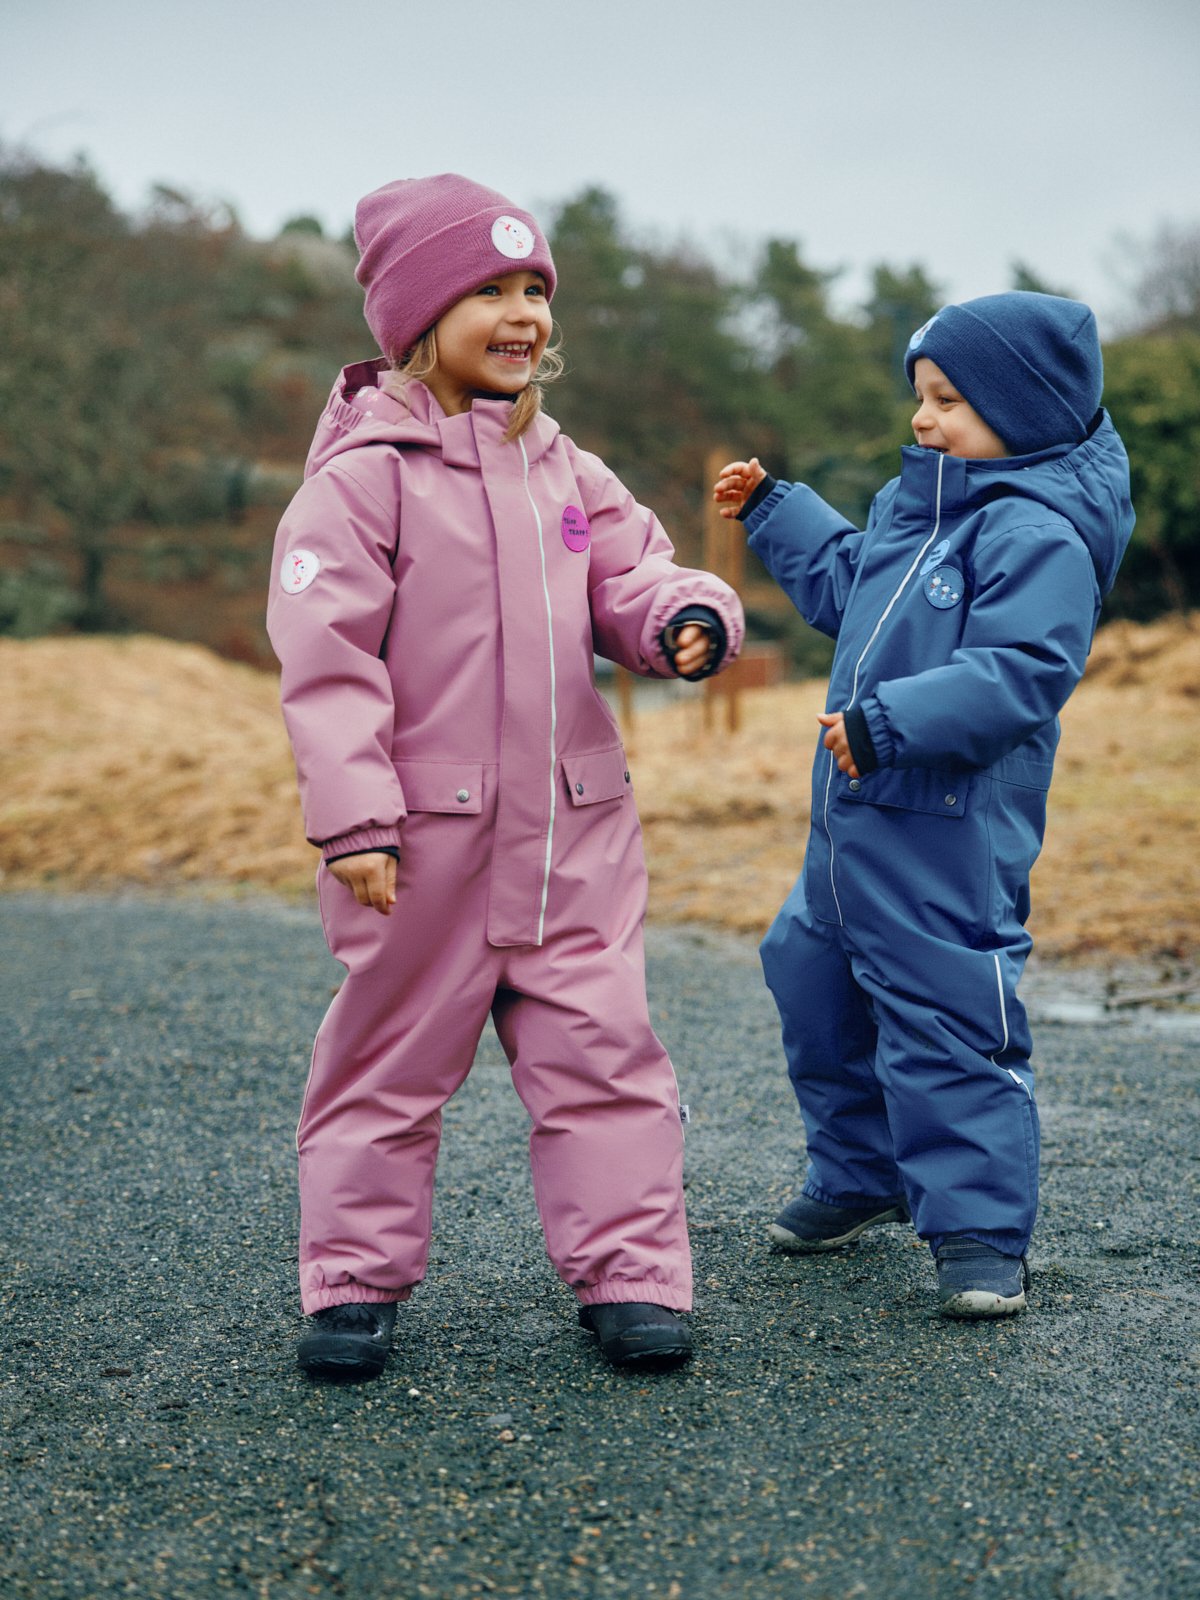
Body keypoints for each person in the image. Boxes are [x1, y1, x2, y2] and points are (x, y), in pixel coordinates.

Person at [268, 174, 744, 1380]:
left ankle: (633, 1275)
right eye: (488, 288)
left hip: (574, 838)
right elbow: (325, 670)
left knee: (606, 1055)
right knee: (384, 1061)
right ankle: (354, 1284)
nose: (523, 310)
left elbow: (635, 574)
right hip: (421, 842)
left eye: (535, 287)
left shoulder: (566, 470)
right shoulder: (362, 480)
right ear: (417, 321)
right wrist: (355, 821)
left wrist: (683, 615)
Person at [714, 292, 1133, 1317]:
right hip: (851, 839)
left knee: (948, 1021)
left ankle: (982, 1231)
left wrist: (893, 721)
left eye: (949, 399)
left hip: (946, 836)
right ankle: (859, 1175)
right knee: (812, 984)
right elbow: (850, 583)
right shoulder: (924, 515)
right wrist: (778, 509)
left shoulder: (1039, 536)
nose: (924, 419)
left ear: (1025, 410)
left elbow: (1022, 669)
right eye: (921, 397)